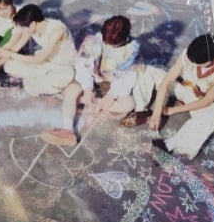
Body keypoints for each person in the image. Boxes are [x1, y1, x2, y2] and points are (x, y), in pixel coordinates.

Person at [42, 15, 140, 147]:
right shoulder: (92, 41)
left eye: (113, 45)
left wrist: (111, 96)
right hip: (91, 79)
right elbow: (82, 66)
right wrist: (87, 89)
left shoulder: (132, 50)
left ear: (124, 38)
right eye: (106, 42)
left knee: (129, 103)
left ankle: (88, 105)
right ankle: (67, 130)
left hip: (111, 85)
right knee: (71, 90)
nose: (108, 46)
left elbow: (127, 78)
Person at [145, 34, 214, 159]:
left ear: (211, 61)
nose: (192, 64)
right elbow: (167, 80)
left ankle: (168, 145)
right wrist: (156, 112)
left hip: (197, 99)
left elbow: (206, 101)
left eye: (197, 63)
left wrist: (174, 110)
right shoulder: (190, 53)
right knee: (147, 71)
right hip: (179, 86)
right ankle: (139, 109)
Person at [0, 4, 77, 96]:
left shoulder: (57, 31)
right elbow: (15, 49)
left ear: (33, 24)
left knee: (31, 88)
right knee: (9, 66)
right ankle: (35, 79)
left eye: (23, 27)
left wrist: (9, 54)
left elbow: (38, 60)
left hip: (62, 66)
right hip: (46, 63)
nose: (22, 30)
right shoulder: (31, 29)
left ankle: (31, 81)